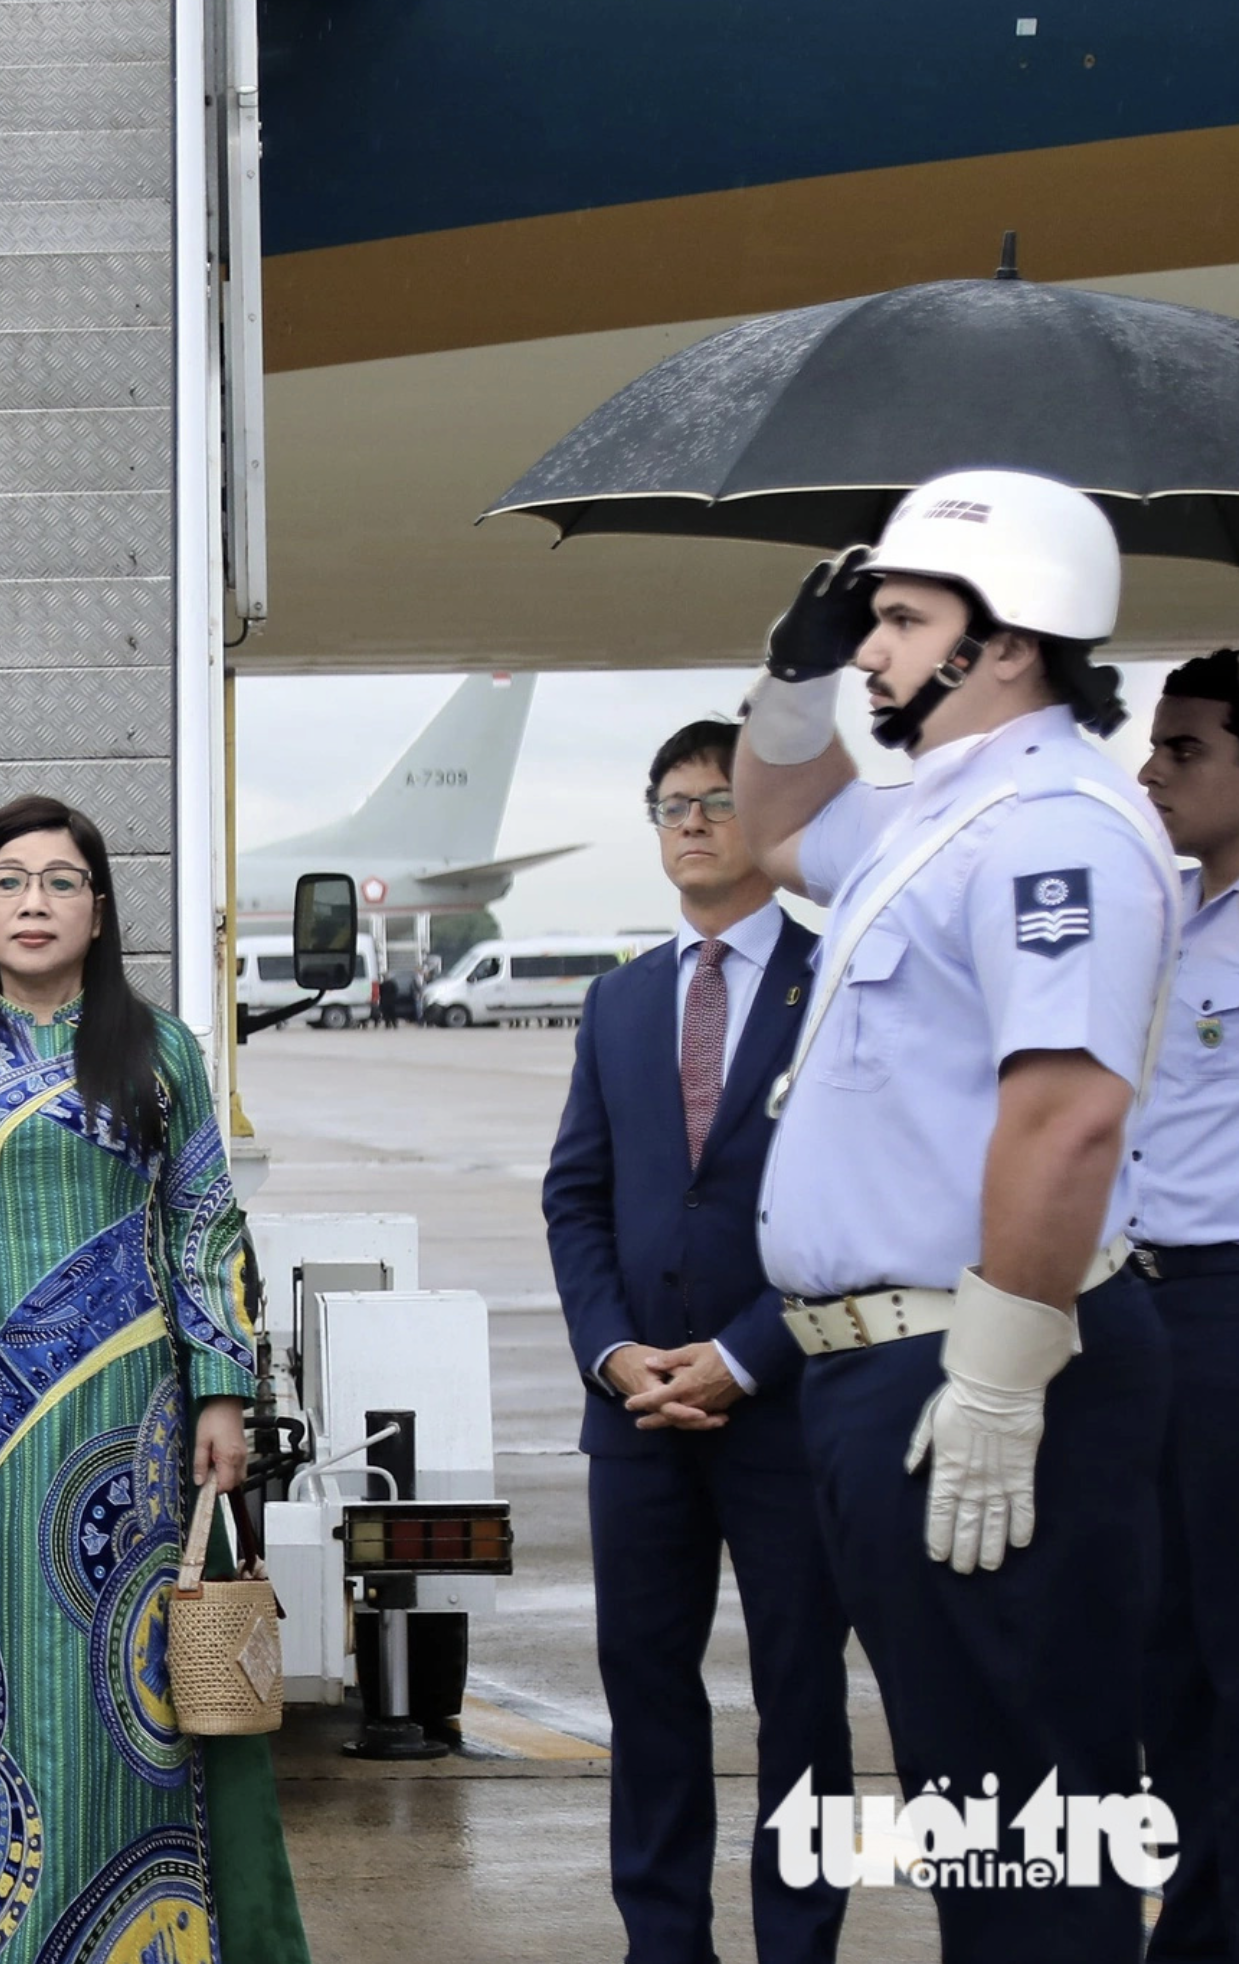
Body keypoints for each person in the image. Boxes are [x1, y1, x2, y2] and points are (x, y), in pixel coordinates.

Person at [734, 469, 1176, 1962]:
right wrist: (789, 678)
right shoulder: (943, 810)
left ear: (1010, 643)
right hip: (880, 1369)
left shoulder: (1054, 827)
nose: (872, 647)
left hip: (976, 1363)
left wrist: (996, 1380)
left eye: (904, 620)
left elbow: (1066, 1114)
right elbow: (780, 829)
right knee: (965, 1788)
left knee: (1028, 1795)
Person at [0, 793, 307, 1964]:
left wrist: (221, 1390)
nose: (32, 901)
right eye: (7, 880)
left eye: (59, 880)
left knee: (123, 1681)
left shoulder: (159, 1049)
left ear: (98, 909)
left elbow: (204, 1222)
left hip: (129, 1417)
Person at [543, 720, 851, 1964]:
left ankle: (800, 1942)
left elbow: (862, 1199)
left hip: (788, 1402)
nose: (691, 822)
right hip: (636, 1414)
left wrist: (744, 1354)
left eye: (718, 800)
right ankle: (663, 1942)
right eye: (670, 803)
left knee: (804, 1697)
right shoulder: (620, 999)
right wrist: (613, 1351)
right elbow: (577, 1196)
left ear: (770, 818)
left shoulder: (840, 975)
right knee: (648, 1691)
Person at [1130, 648, 1239, 1959]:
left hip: (1226, 1307)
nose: (1150, 770)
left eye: (1186, 748)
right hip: (1141, 1307)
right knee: (1163, 1654)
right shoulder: (1164, 916)